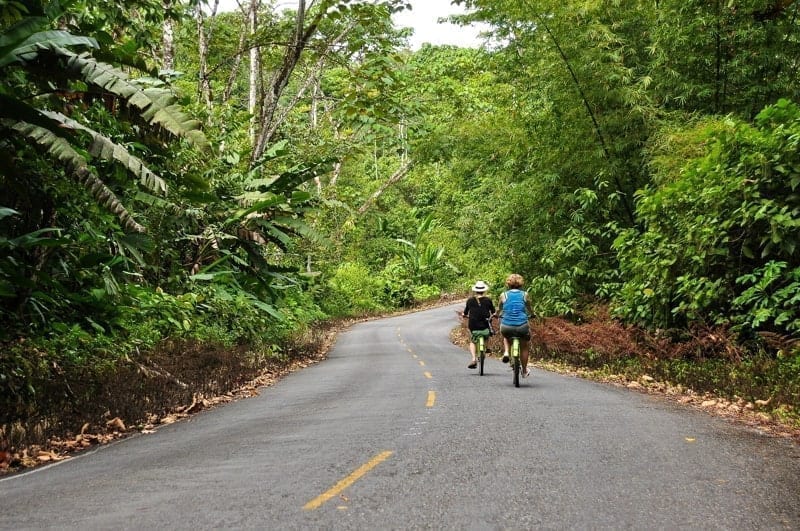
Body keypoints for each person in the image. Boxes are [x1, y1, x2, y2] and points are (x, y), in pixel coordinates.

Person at [496, 273, 534, 377]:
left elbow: (499, 309)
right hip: (522, 325)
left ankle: (507, 352)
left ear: (508, 283)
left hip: (506, 326)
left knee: (506, 336)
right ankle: (525, 370)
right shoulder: (524, 294)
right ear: (521, 284)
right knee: (524, 346)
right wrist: (533, 314)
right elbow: (529, 308)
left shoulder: (503, 295)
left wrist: (496, 314)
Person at [462, 280, 496, 369]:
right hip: (485, 324)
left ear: (475, 290)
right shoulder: (488, 300)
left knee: (473, 341)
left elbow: (465, 312)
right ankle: (487, 347)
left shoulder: (470, 300)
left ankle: (473, 359)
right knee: (487, 334)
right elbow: (493, 312)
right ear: (484, 290)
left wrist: (464, 315)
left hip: (473, 325)